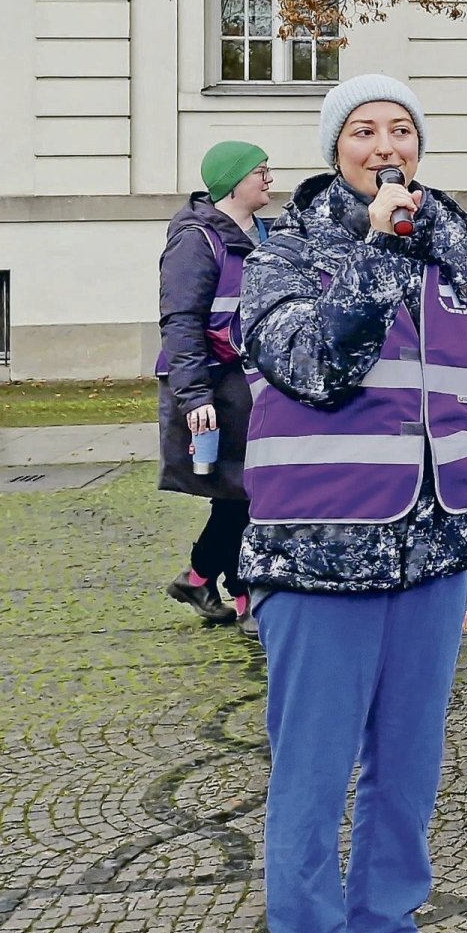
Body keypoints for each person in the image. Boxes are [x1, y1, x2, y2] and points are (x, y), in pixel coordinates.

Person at [236, 75, 467, 933]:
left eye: (399, 127)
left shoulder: (461, 252)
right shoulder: (292, 247)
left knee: (406, 776)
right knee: (313, 781)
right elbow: (308, 365)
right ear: (338, 152)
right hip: (318, 558)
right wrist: (375, 249)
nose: (384, 141)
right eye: (363, 129)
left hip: (433, 554)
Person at [156, 141, 272, 628]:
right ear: (233, 181)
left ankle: (204, 579)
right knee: (244, 490)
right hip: (214, 383)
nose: (269, 179)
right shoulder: (196, 240)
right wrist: (193, 396)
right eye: (260, 172)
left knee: (242, 490)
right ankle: (237, 591)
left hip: (252, 378)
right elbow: (181, 321)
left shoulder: (265, 231)